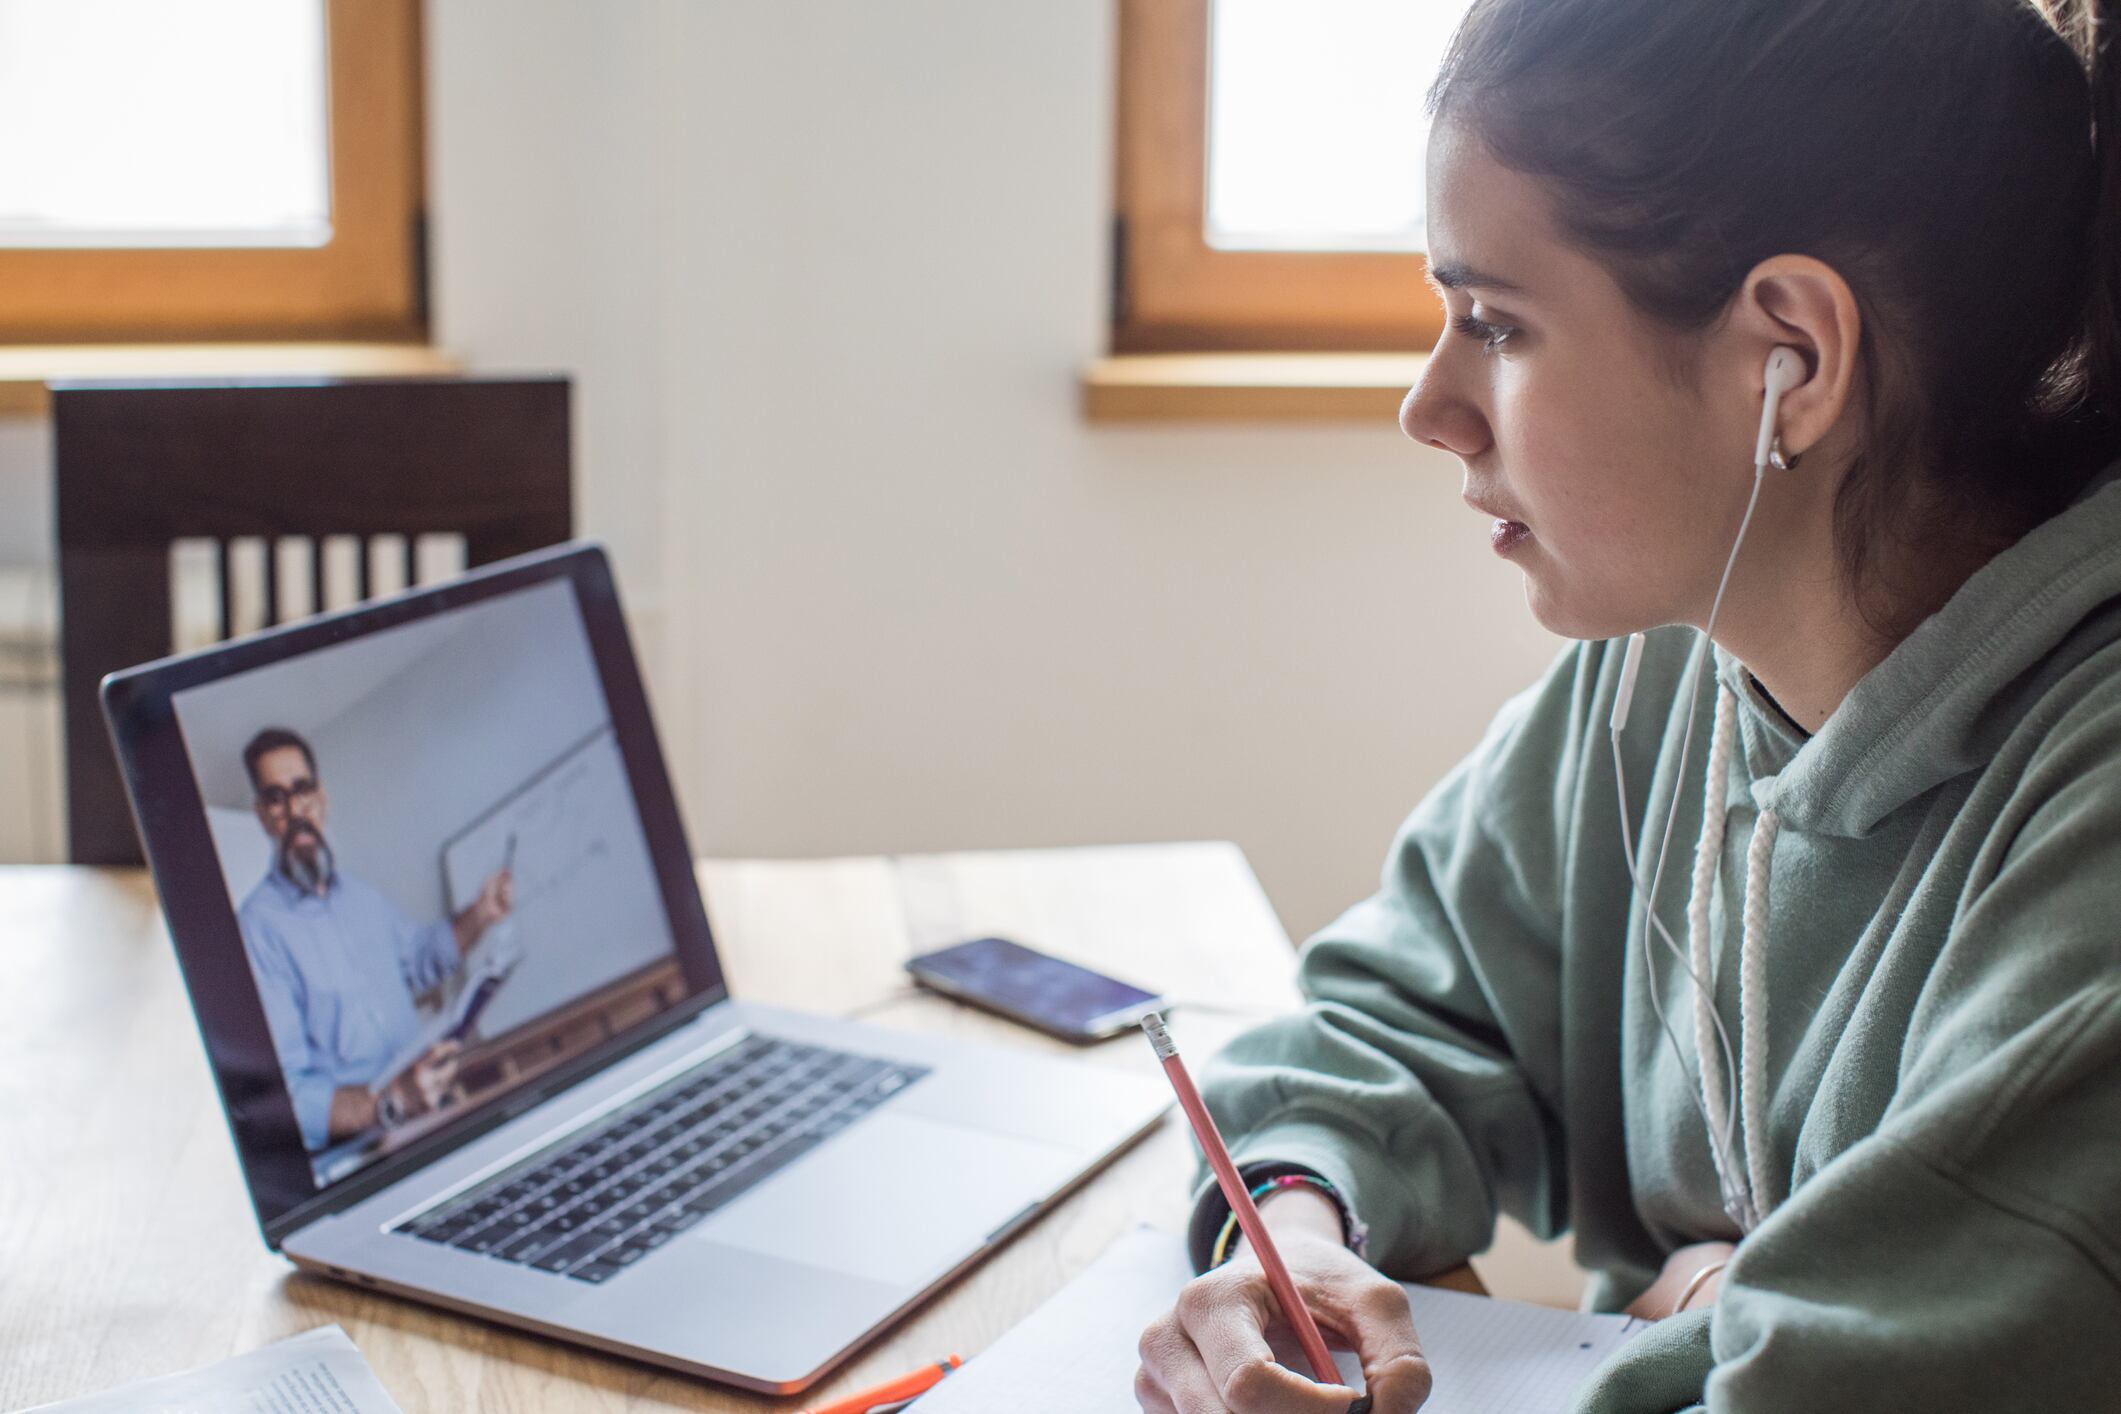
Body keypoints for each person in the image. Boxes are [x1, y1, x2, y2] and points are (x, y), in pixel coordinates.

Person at [1134, 0, 2121, 1410]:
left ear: (1791, 355)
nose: (1430, 405)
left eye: (1494, 322)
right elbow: (1398, 1014)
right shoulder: (1666, 664)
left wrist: (1711, 1321)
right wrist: (1292, 1229)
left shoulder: (2090, 846)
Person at [236, 727, 515, 1151]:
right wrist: (389, 1103)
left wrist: (480, 915)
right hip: (367, 1149)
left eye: (302, 789)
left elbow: (421, 960)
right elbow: (285, 1098)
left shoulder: (362, 896)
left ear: (322, 797)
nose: (294, 809)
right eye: (276, 798)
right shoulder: (257, 929)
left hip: (432, 1108)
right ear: (261, 815)